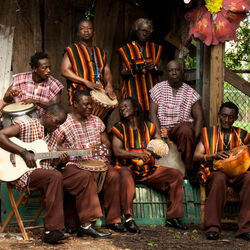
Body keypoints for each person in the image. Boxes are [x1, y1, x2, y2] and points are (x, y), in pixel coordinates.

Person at [111, 97, 188, 233]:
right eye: (120, 108)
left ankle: (173, 216)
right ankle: (129, 218)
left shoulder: (150, 126)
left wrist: (166, 141)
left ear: (135, 108)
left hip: (149, 169)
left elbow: (161, 149)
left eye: (125, 106)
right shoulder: (119, 127)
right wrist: (137, 155)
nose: (122, 110)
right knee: (124, 175)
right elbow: (117, 151)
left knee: (175, 175)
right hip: (128, 169)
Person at [56, 90, 125, 234]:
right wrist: (74, 150)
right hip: (72, 163)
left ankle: (113, 220)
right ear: (75, 104)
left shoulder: (96, 121)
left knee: (113, 175)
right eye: (85, 104)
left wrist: (98, 148)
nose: (89, 108)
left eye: (91, 105)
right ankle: (87, 224)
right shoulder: (65, 122)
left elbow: (106, 143)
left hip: (97, 161)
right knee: (84, 177)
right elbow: (55, 145)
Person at [0, 104, 68, 244]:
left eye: (61, 124)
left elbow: (49, 164)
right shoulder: (28, 124)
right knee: (54, 176)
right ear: (48, 116)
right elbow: (1, 135)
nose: (58, 126)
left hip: (42, 174)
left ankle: (68, 226)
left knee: (59, 174)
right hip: (21, 173)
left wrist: (59, 161)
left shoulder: (53, 137)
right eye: (57, 122)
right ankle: (52, 230)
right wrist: (23, 152)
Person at [193, 102, 250, 241]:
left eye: (231, 117)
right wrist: (214, 155)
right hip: (215, 171)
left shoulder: (242, 135)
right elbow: (196, 156)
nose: (227, 120)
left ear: (236, 118)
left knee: (249, 178)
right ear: (219, 116)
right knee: (219, 179)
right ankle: (213, 228)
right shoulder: (209, 133)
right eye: (224, 116)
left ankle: (245, 229)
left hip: (237, 174)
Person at [149, 60, 204, 179]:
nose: (174, 73)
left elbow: (199, 117)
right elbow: (152, 113)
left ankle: (189, 169)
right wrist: (159, 135)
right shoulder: (158, 89)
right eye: (170, 70)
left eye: (177, 70)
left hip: (180, 131)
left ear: (182, 72)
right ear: (167, 73)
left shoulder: (190, 92)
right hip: (162, 130)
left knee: (186, 129)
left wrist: (194, 137)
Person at [61, 18, 116, 105]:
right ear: (78, 33)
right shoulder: (72, 50)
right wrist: (85, 82)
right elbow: (65, 71)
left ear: (94, 32)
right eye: (82, 28)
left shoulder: (101, 52)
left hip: (99, 95)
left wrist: (109, 84)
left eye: (89, 28)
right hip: (79, 94)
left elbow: (107, 71)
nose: (86, 31)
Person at [118, 18, 162, 114]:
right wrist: (134, 70)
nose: (145, 34)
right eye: (143, 31)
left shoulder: (155, 48)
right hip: (133, 90)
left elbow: (161, 71)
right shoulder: (126, 49)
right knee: (134, 116)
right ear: (136, 31)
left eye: (148, 31)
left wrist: (154, 68)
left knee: (151, 116)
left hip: (151, 90)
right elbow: (122, 72)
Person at [3, 52, 64, 117]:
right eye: (44, 68)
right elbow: (5, 99)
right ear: (35, 68)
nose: (48, 70)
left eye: (49, 67)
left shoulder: (54, 85)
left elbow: (55, 108)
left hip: (41, 122)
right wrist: (10, 96)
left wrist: (37, 102)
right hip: (18, 118)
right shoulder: (20, 79)